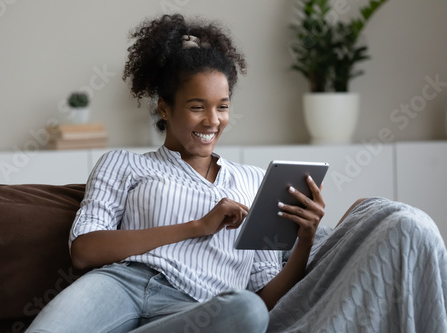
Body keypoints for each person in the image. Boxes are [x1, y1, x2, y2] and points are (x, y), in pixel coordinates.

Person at [26, 14, 348, 333]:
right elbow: (84, 250)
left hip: (197, 309)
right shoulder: (123, 163)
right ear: (164, 108)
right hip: (120, 286)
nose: (212, 121)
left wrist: (304, 240)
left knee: (248, 310)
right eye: (197, 107)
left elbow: (265, 299)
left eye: (222, 106)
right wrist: (197, 226)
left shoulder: (252, 181)